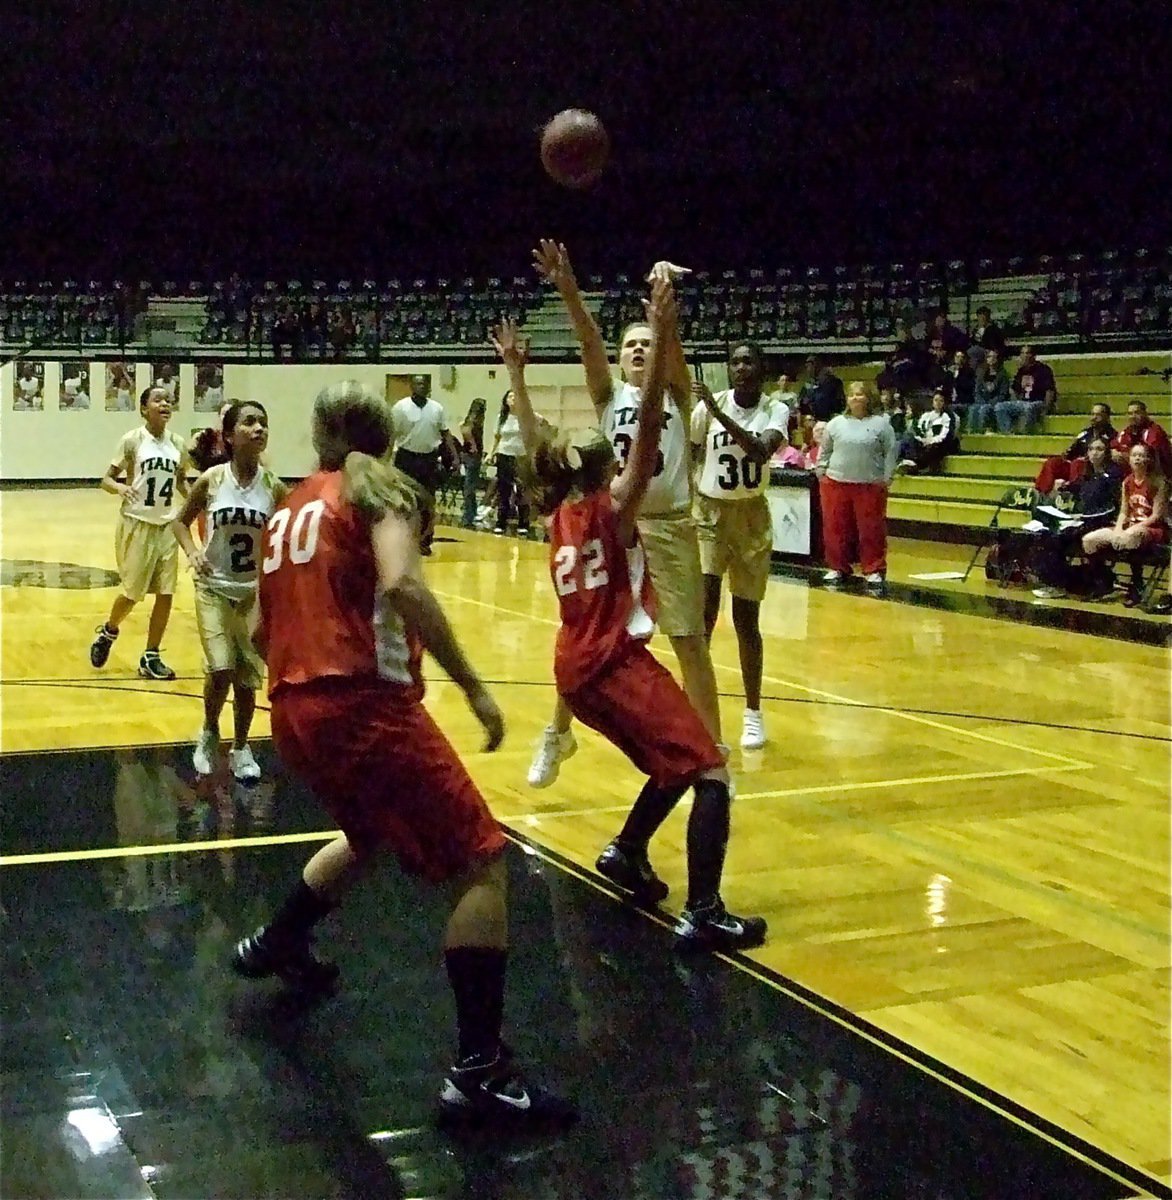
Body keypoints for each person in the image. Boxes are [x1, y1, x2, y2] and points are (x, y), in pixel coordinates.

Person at [232, 379, 574, 1128]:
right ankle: (480, 1072)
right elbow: (403, 584)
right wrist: (477, 689)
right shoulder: (381, 488)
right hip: (362, 705)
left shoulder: (289, 505)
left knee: (369, 833)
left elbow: (257, 626)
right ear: (386, 438)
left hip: (291, 711)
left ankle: (279, 940)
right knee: (482, 857)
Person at [491, 285, 765, 952]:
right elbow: (647, 432)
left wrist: (518, 379)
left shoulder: (554, 511)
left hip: (574, 667)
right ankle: (704, 908)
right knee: (709, 771)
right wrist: (665, 330)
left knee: (668, 763)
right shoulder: (614, 507)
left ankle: (627, 851)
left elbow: (533, 443)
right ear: (608, 469)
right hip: (614, 662)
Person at [525, 241, 727, 784]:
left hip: (671, 526)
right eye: (630, 346)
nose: (639, 350)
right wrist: (567, 286)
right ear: (619, 360)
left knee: (690, 641)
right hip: (616, 525)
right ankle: (557, 734)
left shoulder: (677, 393)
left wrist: (663, 315)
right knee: (592, 637)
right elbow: (589, 338)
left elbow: (669, 350)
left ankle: (712, 751)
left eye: (645, 344)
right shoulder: (609, 395)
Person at [171, 401, 286, 781]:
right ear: (230, 435)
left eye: (264, 423)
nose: (259, 429)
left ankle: (241, 747)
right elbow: (179, 522)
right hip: (214, 587)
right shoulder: (212, 480)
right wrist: (192, 553)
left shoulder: (275, 487)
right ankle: (208, 731)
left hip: (254, 591)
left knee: (248, 677)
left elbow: (286, 538)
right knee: (221, 667)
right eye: (250, 422)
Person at [691, 343, 789, 750]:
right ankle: (698, 710)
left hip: (751, 515)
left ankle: (753, 713)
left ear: (761, 368)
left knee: (747, 619)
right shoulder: (705, 407)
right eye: (735, 361)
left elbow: (761, 450)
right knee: (705, 613)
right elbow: (694, 450)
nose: (741, 367)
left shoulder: (776, 409)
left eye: (749, 361)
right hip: (711, 512)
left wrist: (718, 415)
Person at [90, 386, 189, 680]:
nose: (164, 404)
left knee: (166, 593)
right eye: (158, 399)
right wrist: (120, 487)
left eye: (168, 400)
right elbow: (106, 479)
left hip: (167, 525)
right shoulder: (132, 441)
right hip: (137, 522)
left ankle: (151, 654)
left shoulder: (178, 443)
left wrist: (202, 500)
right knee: (132, 594)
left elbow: (181, 481)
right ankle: (109, 630)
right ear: (144, 409)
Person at [814, 381, 898, 588]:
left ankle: (873, 568)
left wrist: (886, 478)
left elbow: (891, 452)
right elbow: (825, 451)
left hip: (870, 485)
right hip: (835, 483)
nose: (855, 399)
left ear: (869, 398)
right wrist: (822, 471)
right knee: (835, 527)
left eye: (860, 395)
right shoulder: (835, 424)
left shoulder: (882, 424)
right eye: (852, 395)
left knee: (871, 529)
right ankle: (837, 566)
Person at [1030, 436, 1125, 598]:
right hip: (1083, 520)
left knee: (1059, 539)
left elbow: (1114, 505)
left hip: (1104, 522)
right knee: (1047, 535)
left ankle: (1062, 584)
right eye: (1091, 449)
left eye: (1099, 449)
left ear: (1107, 453)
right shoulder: (1086, 474)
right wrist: (1063, 486)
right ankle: (1059, 581)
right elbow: (1075, 487)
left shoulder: (1114, 474)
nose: (1095, 453)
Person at [1081, 443, 1168, 605]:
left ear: (1148, 459)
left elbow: (1156, 516)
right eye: (1134, 455)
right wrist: (1119, 529)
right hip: (1130, 525)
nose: (1137, 458)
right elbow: (1123, 512)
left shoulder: (1158, 482)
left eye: (1141, 455)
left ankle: (1137, 585)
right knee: (1089, 540)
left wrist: (1133, 528)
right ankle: (1103, 581)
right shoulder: (1127, 481)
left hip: (1152, 529)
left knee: (1131, 538)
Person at [389, 375, 460, 554]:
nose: (422, 386)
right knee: (405, 500)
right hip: (406, 458)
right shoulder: (400, 407)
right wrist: (386, 458)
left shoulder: (437, 408)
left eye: (425, 383)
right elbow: (392, 435)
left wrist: (455, 458)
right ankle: (404, 540)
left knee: (428, 501)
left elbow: (445, 434)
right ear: (412, 386)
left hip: (428, 459)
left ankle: (425, 540)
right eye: (418, 383)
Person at [1034, 403, 1116, 495]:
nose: (1094, 417)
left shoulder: (1112, 436)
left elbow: (1108, 457)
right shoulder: (1085, 433)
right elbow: (1070, 452)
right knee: (1053, 462)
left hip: (1092, 468)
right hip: (1074, 466)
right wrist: (1065, 456)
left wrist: (1086, 459)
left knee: (1078, 463)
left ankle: (1072, 495)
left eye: (1098, 415)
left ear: (1107, 417)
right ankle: (1041, 494)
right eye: (1092, 414)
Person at [488, 390, 532, 536]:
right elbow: (497, 437)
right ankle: (501, 522)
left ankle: (523, 524)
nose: (513, 399)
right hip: (504, 455)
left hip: (521, 456)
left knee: (522, 491)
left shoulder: (525, 417)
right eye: (510, 396)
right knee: (503, 491)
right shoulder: (501, 417)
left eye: (515, 396)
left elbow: (539, 427)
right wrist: (490, 453)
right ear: (505, 400)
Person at [898, 388, 960, 475]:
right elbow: (919, 429)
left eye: (941, 401)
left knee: (934, 447)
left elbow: (946, 434)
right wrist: (922, 439)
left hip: (941, 443)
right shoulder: (927, 415)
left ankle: (918, 465)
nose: (938, 403)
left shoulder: (948, 416)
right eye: (936, 400)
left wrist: (931, 441)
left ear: (944, 403)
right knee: (910, 438)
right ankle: (910, 462)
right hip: (926, 440)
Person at [1111, 400, 1172, 478]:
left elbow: (1146, 454)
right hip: (1131, 476)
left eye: (1136, 413)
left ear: (1145, 414)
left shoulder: (1154, 430)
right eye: (1130, 413)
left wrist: (1124, 455)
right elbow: (1114, 445)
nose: (1133, 416)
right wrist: (1113, 451)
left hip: (1154, 476)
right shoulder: (1126, 431)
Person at [459, 397, 487, 529]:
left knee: (470, 486)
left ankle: (472, 513)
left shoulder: (470, 418)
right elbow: (466, 430)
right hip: (472, 456)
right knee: (470, 487)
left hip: (468, 454)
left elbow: (461, 426)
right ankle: (468, 517)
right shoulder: (474, 418)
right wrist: (473, 445)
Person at [968, 348, 1011, 433]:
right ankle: (971, 431)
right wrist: (981, 401)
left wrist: (991, 403)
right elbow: (977, 391)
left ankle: (983, 431)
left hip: (996, 402)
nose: (991, 359)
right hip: (982, 401)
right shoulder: (981, 374)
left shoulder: (1003, 375)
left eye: (994, 357)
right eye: (989, 357)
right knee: (973, 408)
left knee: (985, 409)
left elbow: (1003, 394)